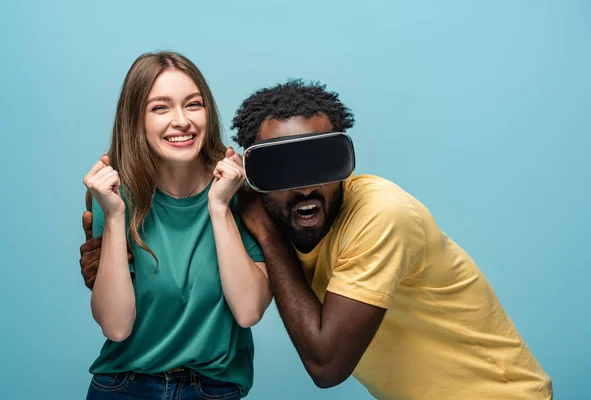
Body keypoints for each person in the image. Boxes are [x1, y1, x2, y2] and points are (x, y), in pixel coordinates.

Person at [80, 79, 553, 400]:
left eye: (319, 163)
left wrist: (263, 229)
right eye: (284, 168)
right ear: (258, 172)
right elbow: (196, 276)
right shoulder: (254, 206)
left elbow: (326, 365)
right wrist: (112, 262)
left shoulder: (378, 214)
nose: (305, 188)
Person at [80, 51, 271, 400]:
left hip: (213, 388)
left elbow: (248, 311)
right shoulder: (113, 194)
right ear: (136, 120)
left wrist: (218, 207)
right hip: (125, 385)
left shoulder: (240, 189)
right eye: (160, 108)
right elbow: (116, 326)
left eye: (193, 104)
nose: (181, 121)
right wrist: (113, 215)